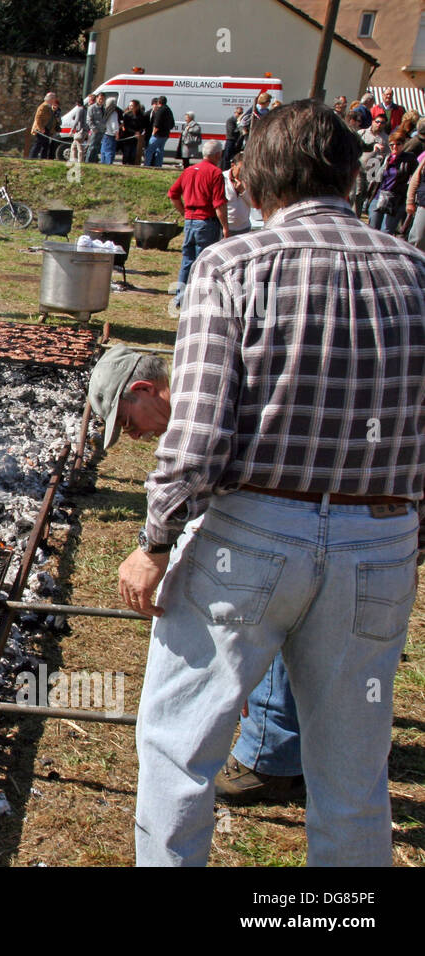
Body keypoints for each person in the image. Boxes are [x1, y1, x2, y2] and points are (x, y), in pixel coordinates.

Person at [119, 99, 424, 867]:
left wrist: (155, 541)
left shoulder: (232, 265)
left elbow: (196, 437)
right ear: (354, 176)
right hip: (380, 539)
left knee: (180, 750)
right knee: (353, 773)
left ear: (253, 183)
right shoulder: (418, 272)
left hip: (251, 537)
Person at [89, 347, 305, 805]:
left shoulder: (197, 402)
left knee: (269, 618)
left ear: (144, 389)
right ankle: (297, 740)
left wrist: (152, 548)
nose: (135, 436)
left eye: (128, 422)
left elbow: (187, 471)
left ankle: (270, 756)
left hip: (280, 527)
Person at [168, 139, 228, 308]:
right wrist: (225, 227)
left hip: (190, 220)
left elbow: (173, 194)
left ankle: (180, 297)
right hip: (206, 222)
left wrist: (184, 212)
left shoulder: (188, 171)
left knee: (187, 260)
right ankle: (198, 298)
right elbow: (219, 204)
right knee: (204, 261)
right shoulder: (215, 173)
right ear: (218, 155)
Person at [367, 129, 416, 235]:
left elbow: (416, 176)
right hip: (378, 197)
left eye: (398, 144)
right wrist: (375, 152)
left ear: (403, 144)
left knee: (387, 231)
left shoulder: (409, 159)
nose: (395, 147)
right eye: (391, 144)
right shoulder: (385, 157)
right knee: (372, 229)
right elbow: (370, 174)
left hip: (396, 199)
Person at [354, 114, 389, 217]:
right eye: (377, 121)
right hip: (360, 166)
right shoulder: (362, 133)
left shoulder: (386, 138)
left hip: (374, 168)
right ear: (373, 121)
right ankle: (356, 214)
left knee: (368, 193)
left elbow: (388, 155)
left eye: (382, 123)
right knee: (358, 192)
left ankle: (364, 212)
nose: (379, 124)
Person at [221, 152, 251, 238]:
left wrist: (243, 191)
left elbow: (254, 204)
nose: (243, 173)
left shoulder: (250, 179)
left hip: (244, 227)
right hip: (226, 228)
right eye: (241, 169)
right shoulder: (222, 178)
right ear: (233, 165)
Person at [144, 95, 175, 167]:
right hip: (165, 135)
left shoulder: (160, 110)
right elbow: (172, 124)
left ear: (159, 102)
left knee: (149, 150)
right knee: (159, 151)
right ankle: (158, 166)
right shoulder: (168, 110)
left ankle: (146, 166)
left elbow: (156, 124)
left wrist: (153, 133)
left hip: (158, 135)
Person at [30, 91, 60, 159]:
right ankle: (32, 157)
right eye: (53, 98)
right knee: (38, 144)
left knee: (45, 145)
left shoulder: (50, 107)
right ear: (50, 99)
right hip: (41, 129)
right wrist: (41, 128)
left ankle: (43, 158)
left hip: (47, 129)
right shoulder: (43, 106)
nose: (55, 99)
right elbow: (38, 118)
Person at [120, 100, 144, 166]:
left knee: (133, 153)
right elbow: (126, 126)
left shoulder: (141, 115)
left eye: (132, 106)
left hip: (136, 138)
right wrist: (134, 133)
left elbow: (142, 126)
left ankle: (132, 165)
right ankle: (124, 164)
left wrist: (139, 132)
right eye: (130, 105)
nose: (130, 107)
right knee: (126, 152)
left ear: (136, 107)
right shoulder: (127, 115)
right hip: (128, 137)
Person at [99, 96, 120, 165]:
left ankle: (103, 163)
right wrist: (116, 133)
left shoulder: (106, 111)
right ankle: (108, 164)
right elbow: (114, 124)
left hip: (105, 134)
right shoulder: (113, 113)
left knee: (103, 151)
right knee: (109, 151)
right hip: (111, 135)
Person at [83, 94, 104, 163]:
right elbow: (89, 120)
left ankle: (94, 161)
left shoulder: (103, 108)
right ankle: (88, 161)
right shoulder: (92, 107)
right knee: (92, 147)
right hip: (94, 131)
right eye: (100, 98)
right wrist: (94, 128)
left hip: (101, 131)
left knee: (97, 148)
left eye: (102, 99)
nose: (101, 100)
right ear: (97, 98)